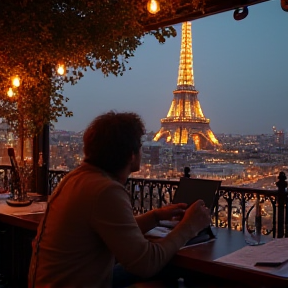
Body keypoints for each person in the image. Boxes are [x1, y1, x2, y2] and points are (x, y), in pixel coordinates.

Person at [28, 111, 211, 288]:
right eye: (140, 145)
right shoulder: (105, 190)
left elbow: (116, 229)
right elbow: (146, 263)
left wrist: (156, 216)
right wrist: (189, 227)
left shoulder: (77, 178)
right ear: (131, 155)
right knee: (170, 271)